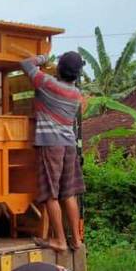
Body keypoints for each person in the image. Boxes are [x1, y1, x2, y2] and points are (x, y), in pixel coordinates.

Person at [19, 49, 88, 252]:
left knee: (51, 194)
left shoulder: (47, 84)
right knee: (69, 194)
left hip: (51, 144)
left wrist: (43, 58)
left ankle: (59, 241)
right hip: (69, 144)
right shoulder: (76, 94)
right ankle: (76, 240)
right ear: (76, 74)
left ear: (59, 68)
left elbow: (25, 64)